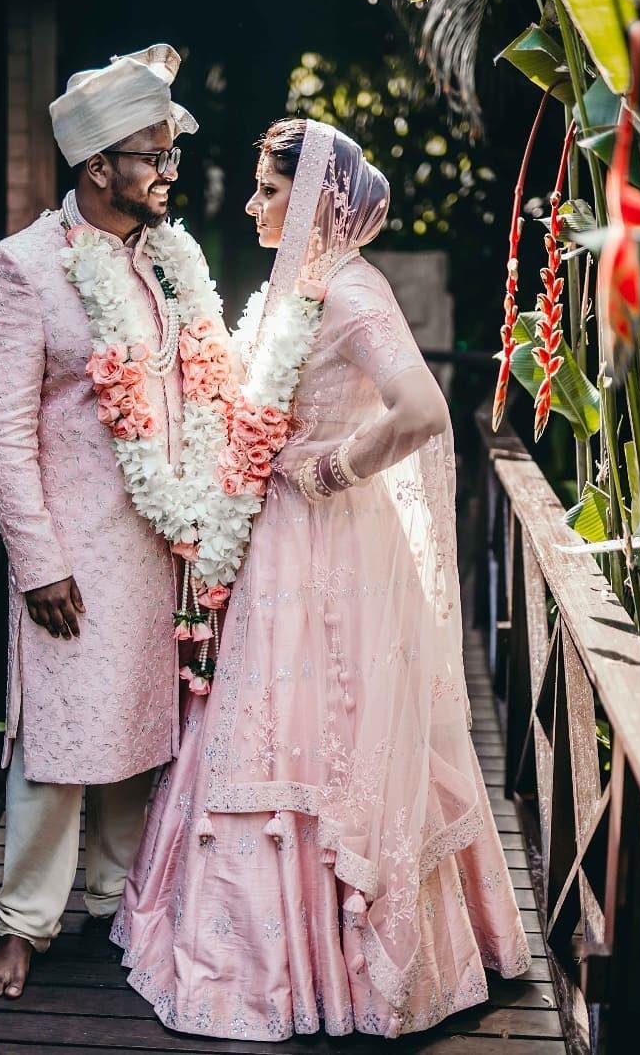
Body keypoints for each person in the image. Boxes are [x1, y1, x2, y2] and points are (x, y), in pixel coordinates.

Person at [110, 118, 531, 1040]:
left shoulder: (348, 292)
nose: (256, 204)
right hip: (273, 547)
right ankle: (264, 952)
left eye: (269, 190)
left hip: (328, 552)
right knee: (254, 727)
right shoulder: (296, 288)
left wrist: (330, 467)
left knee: (321, 732)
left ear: (314, 200)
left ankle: (339, 961)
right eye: (262, 189)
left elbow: (420, 410)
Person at [0, 44, 203, 999]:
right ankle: (23, 923)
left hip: (156, 547)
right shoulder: (19, 268)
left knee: (140, 732)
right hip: (68, 557)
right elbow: (1, 431)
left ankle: (113, 902)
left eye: (168, 156)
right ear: (98, 164)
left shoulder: (165, 262)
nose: (167, 172)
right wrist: (37, 562)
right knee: (58, 741)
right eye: (153, 154)